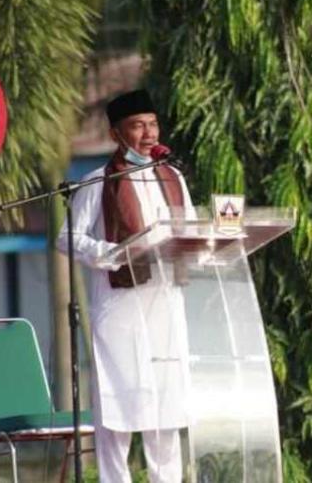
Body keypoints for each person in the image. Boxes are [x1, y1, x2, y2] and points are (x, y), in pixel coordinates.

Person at [57, 89, 193, 483]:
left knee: (166, 403)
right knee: (119, 404)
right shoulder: (98, 182)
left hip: (167, 302)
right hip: (120, 308)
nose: (149, 133)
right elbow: (67, 237)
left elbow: (187, 232)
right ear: (117, 133)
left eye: (153, 124)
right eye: (138, 126)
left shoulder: (174, 177)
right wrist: (113, 252)